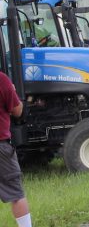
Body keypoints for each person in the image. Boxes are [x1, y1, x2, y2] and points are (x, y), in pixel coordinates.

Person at [0, 72, 32, 227]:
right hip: (1, 147)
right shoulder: (1, 79)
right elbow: (17, 111)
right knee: (16, 194)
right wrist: (12, 91)